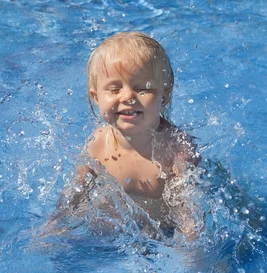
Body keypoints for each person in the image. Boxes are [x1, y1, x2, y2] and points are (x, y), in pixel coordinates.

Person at [53, 32, 202, 240]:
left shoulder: (176, 149)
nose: (127, 97)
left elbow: (189, 215)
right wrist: (54, 226)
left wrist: (190, 249)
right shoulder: (98, 145)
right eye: (114, 89)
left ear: (164, 96)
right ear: (96, 97)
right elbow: (71, 198)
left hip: (162, 235)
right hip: (109, 233)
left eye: (142, 89)